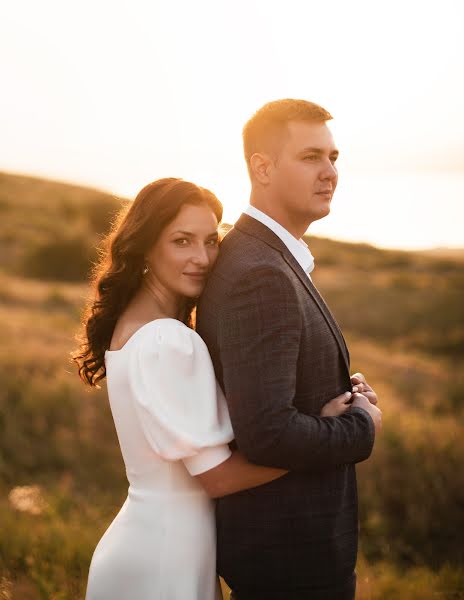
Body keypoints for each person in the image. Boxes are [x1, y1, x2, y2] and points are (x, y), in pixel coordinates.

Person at [73, 177, 361, 600]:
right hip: (167, 554)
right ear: (147, 247)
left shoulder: (134, 328)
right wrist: (325, 431)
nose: (203, 258)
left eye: (211, 241)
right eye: (182, 241)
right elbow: (218, 479)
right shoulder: (166, 339)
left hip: (150, 538)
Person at [197, 99, 382, 600]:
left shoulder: (269, 258)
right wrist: (361, 425)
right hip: (289, 569)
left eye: (334, 157)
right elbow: (268, 433)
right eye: (310, 157)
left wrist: (341, 390)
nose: (330, 173)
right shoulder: (260, 273)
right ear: (262, 167)